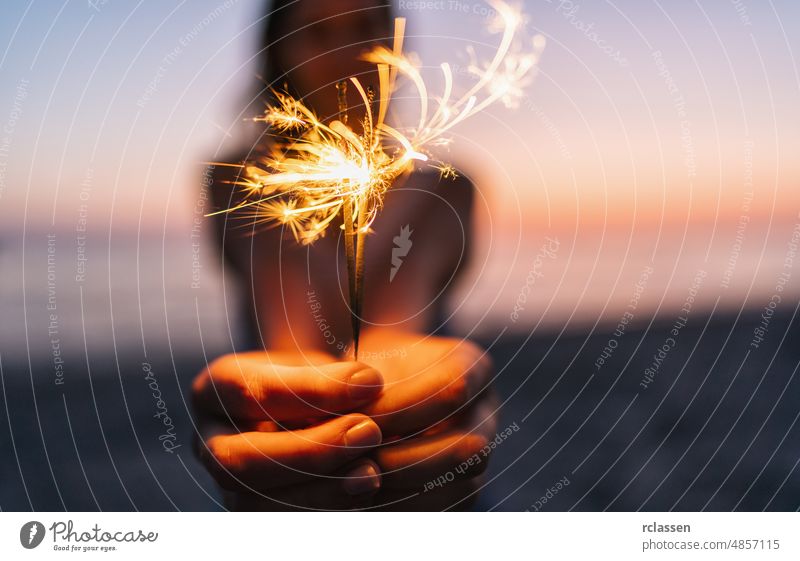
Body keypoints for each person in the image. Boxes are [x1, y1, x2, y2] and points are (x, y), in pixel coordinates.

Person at [191, 0, 498, 510]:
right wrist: (298, 404)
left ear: (398, 43)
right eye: (316, 32)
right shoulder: (235, 183)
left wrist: (395, 389)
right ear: (279, 51)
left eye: (365, 27)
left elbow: (396, 323)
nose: (346, 51)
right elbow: (290, 329)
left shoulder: (444, 189)